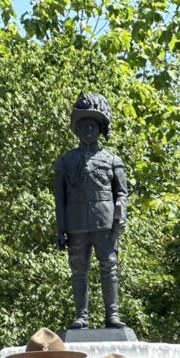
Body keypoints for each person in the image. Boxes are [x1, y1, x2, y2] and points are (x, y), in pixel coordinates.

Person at [53, 92, 129, 331]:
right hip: (76, 224)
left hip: (105, 223)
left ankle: (112, 315)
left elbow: (122, 193)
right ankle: (81, 316)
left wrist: (120, 216)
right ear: (76, 129)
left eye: (92, 126)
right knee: (79, 271)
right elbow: (59, 199)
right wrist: (61, 229)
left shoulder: (113, 160)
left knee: (109, 267)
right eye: (83, 126)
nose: (88, 130)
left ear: (100, 129)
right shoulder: (65, 162)